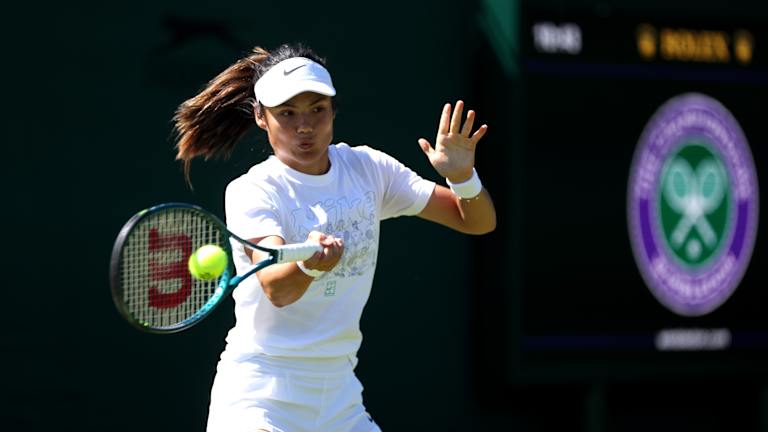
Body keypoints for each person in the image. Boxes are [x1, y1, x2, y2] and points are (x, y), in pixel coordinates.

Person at [173, 43, 496, 432]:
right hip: (261, 397)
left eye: (317, 110)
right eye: (287, 114)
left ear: (333, 109)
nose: (304, 126)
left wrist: (462, 177)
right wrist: (309, 268)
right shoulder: (252, 190)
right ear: (261, 117)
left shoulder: (369, 169)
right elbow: (277, 288)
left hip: (340, 399)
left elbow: (475, 221)